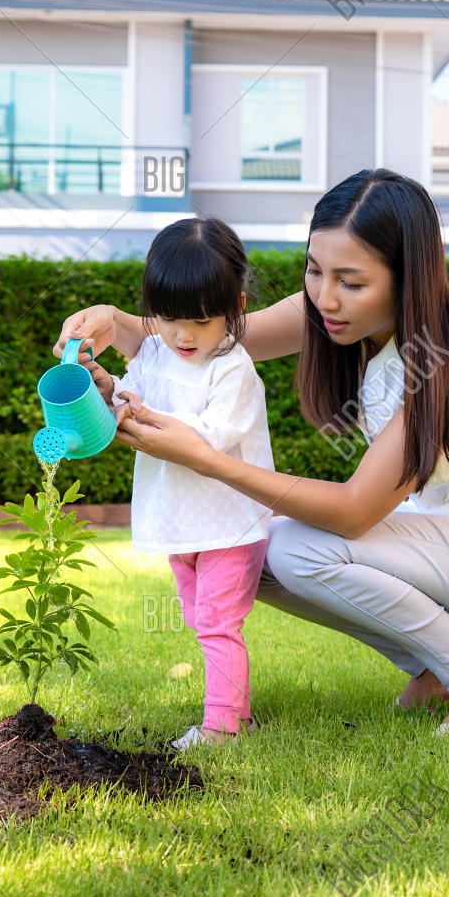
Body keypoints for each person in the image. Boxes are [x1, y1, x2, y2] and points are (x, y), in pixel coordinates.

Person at [59, 169, 449, 735]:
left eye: (351, 281)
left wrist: (207, 459)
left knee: (295, 548)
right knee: (250, 546)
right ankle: (434, 669)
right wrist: (115, 320)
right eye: (314, 270)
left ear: (407, 277)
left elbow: (353, 511)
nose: (325, 297)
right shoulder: (333, 310)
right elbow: (206, 338)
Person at [79, 217, 274, 751]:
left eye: (202, 321)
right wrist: (109, 389)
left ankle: (222, 727)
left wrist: (139, 415)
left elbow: (212, 437)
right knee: (198, 618)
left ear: (235, 307)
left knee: (216, 623)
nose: (184, 336)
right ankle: (236, 712)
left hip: (230, 524)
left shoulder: (232, 369)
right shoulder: (154, 352)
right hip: (180, 520)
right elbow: (134, 393)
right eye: (169, 319)